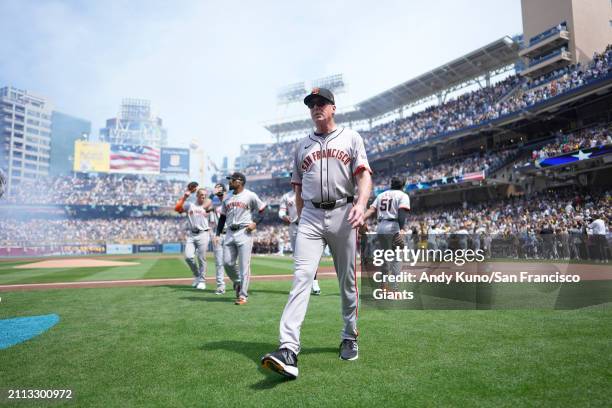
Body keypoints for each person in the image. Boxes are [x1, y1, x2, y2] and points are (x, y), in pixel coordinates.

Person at [261, 87, 373, 379]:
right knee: (301, 278)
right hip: (310, 214)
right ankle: (288, 349)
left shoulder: (351, 137)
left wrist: (361, 204)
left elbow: (363, 175)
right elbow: (297, 189)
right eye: (311, 104)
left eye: (321, 103)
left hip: (343, 212)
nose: (316, 107)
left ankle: (349, 335)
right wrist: (298, 220)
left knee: (346, 280)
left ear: (333, 107)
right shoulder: (301, 146)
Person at [215, 172, 266, 305]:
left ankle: (243, 296)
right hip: (230, 232)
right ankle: (237, 282)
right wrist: (217, 234)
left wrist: (255, 222)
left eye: (231, 180)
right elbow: (222, 217)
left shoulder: (250, 195)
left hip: (244, 231)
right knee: (227, 263)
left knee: (244, 266)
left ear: (240, 181)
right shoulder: (227, 197)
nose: (229, 182)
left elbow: (262, 209)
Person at [362, 176, 411, 288]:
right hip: (394, 226)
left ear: (391, 184)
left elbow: (371, 210)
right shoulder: (403, 195)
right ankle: (394, 286)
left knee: (386, 256)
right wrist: (402, 229)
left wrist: (361, 219)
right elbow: (401, 212)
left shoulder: (381, 195)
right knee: (397, 257)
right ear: (403, 185)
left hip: (380, 227)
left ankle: (383, 284)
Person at [279, 183, 321, 295]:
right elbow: (281, 211)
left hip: (308, 225)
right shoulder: (287, 196)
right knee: (298, 256)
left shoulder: (309, 192)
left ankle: (314, 282)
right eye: (293, 181)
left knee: (312, 255)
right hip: (294, 226)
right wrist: (284, 216)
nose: (295, 183)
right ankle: (301, 283)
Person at [175, 186, 212, 290]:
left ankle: (202, 281)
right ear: (197, 196)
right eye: (201, 195)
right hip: (192, 235)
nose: (203, 197)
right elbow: (177, 209)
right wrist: (185, 197)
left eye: (205, 196)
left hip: (203, 234)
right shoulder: (190, 205)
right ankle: (197, 275)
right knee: (188, 257)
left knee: (201, 258)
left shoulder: (207, 205)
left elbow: (209, 202)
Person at [209, 183, 228, 294]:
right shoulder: (214, 205)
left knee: (231, 262)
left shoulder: (230, 202)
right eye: (218, 193)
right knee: (219, 262)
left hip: (230, 233)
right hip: (218, 235)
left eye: (221, 192)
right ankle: (221, 286)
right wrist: (212, 194)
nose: (219, 194)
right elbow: (212, 222)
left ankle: (236, 281)